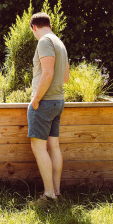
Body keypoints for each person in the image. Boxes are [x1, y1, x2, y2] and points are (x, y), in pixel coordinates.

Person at [28, 12, 69, 202]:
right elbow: (65, 77)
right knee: (54, 146)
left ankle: (49, 194)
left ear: (34, 27)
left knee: (39, 147)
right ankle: (57, 192)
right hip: (58, 101)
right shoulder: (60, 43)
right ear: (50, 25)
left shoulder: (44, 41)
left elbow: (48, 73)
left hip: (44, 102)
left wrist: (36, 100)